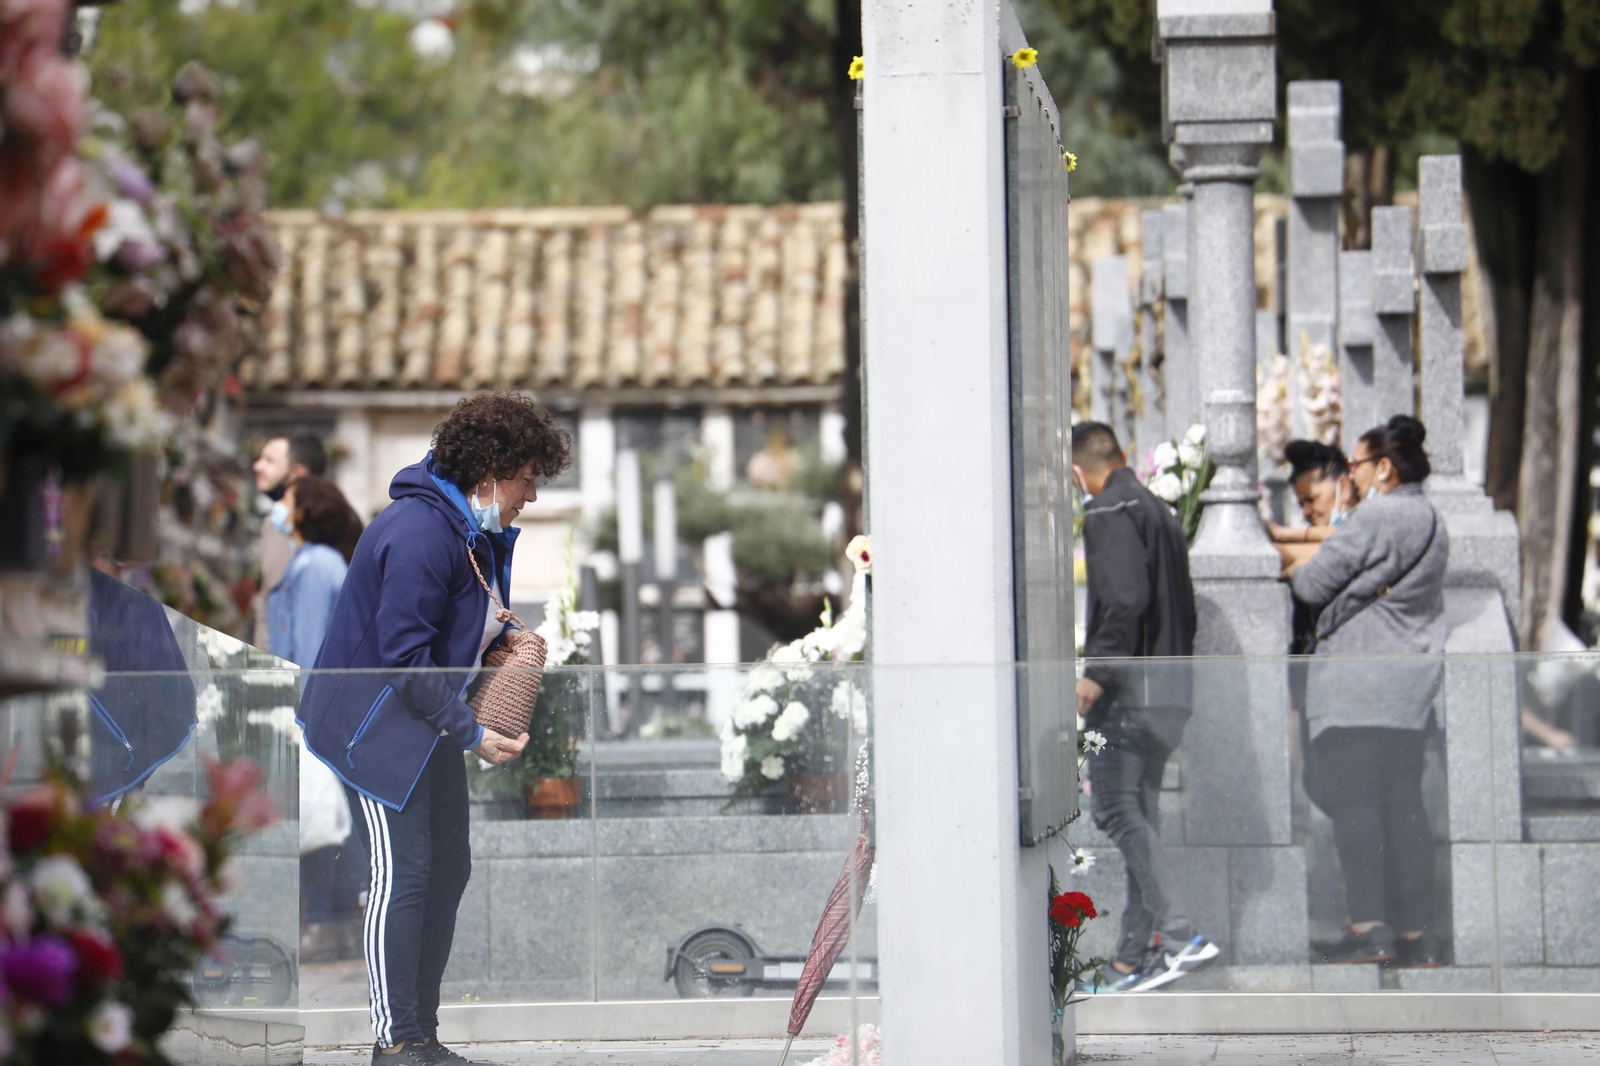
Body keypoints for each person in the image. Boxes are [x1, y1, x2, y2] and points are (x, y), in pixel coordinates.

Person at [298, 392, 570, 1066]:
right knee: (405, 874)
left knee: (447, 869)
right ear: (488, 468)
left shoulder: (464, 530)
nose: (530, 495)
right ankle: (395, 1042)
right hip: (377, 729)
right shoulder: (421, 529)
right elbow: (401, 654)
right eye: (527, 477)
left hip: (422, 722)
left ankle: (422, 1034)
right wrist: (473, 733)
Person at [1290, 415, 1450, 968]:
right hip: (1410, 687)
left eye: (1354, 465)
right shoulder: (1433, 521)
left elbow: (1311, 585)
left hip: (1355, 684)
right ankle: (1418, 934)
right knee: (1404, 808)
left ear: (1383, 467)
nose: (1350, 475)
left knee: (1356, 807)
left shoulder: (1375, 516)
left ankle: (1370, 928)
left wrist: (1328, 536)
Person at [1071, 421, 1216, 993]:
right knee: (1141, 820)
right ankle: (1133, 959)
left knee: (1111, 807)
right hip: (1169, 696)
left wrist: (1096, 675)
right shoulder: (1160, 512)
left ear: (1078, 472)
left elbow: (1124, 602)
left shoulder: (1107, 511)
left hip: (1127, 697)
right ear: (1123, 456)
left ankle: (1181, 934)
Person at [267, 475, 365, 963]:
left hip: (315, 711)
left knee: (321, 819)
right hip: (337, 709)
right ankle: (343, 920)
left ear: (305, 511)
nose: (277, 508)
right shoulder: (327, 562)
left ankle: (326, 922)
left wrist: (299, 717)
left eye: (285, 500)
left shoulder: (310, 566)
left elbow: (305, 652)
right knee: (332, 817)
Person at [252, 432, 329, 651]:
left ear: (297, 473)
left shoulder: (290, 526)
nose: (257, 466)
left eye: (270, 460)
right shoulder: (278, 523)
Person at [1268, 440, 1356, 579]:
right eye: (1302, 504)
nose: (1305, 511)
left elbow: (1352, 542)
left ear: (1343, 488)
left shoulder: (1371, 524)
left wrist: (1282, 533)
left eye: (1311, 499)